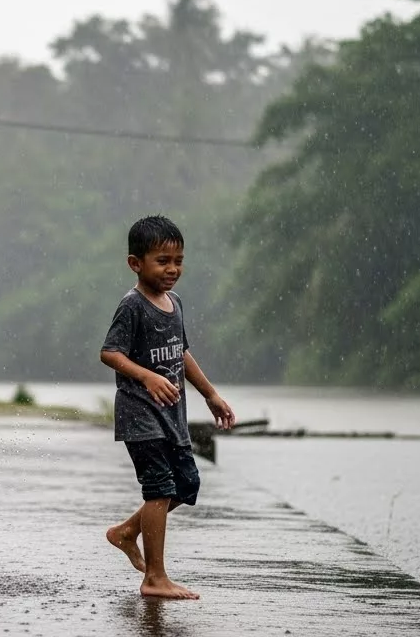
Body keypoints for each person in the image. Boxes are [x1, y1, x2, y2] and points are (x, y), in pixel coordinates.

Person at [101, 215, 236, 600]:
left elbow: (182, 352)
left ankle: (127, 532)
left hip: (171, 416)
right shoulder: (132, 306)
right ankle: (154, 578)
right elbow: (110, 353)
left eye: (178, 260)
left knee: (187, 483)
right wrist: (146, 376)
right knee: (158, 488)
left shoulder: (174, 303)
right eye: (162, 260)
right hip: (140, 414)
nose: (172, 269)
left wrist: (210, 394)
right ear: (135, 263)